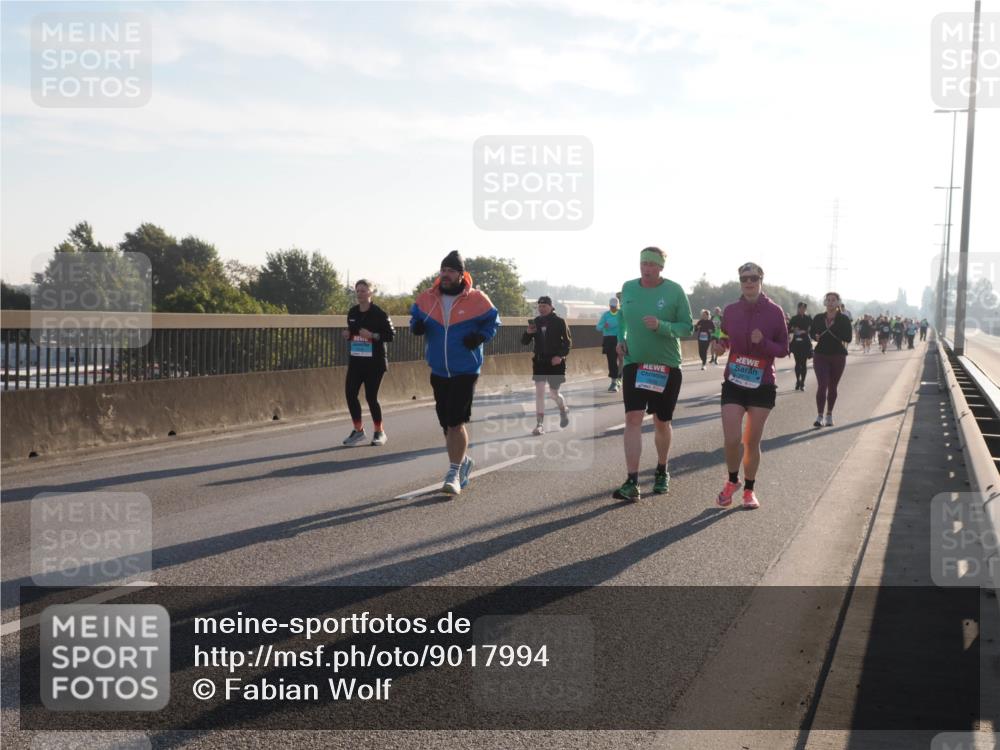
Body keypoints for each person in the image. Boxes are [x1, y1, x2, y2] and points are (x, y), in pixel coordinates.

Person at [410, 251, 500, 495]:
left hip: (465, 369)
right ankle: (464, 461)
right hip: (439, 368)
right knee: (445, 423)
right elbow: (414, 317)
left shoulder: (477, 299)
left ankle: (453, 473)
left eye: (450, 271)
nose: (445, 274)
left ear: (461, 274)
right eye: (443, 270)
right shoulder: (427, 298)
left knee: (455, 422)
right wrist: (415, 326)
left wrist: (480, 336)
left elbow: (493, 321)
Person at [612, 246, 694, 501]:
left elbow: (686, 327)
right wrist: (620, 338)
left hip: (666, 365)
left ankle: (661, 470)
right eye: (643, 263)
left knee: (661, 421)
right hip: (635, 362)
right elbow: (622, 318)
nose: (646, 268)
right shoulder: (628, 287)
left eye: (651, 264)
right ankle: (632, 481)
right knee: (633, 418)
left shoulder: (674, 290)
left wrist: (662, 326)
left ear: (660, 267)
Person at [713, 263, 789, 510]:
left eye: (753, 277)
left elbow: (783, 349)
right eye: (744, 278)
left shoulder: (775, 312)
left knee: (751, 441)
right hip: (734, 381)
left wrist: (764, 342)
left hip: (762, 383)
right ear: (740, 281)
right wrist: (720, 346)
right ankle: (732, 480)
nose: (749, 282)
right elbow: (724, 336)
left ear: (761, 280)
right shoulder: (731, 310)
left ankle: (749, 489)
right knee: (732, 438)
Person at [342, 279, 396, 446]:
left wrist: (373, 335)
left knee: (371, 397)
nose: (360, 294)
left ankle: (379, 431)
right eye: (357, 291)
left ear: (371, 293)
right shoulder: (352, 313)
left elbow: (391, 335)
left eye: (363, 290)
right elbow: (353, 332)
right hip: (357, 361)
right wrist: (348, 335)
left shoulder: (380, 313)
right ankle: (358, 431)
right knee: (350, 394)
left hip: (375, 363)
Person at [523, 296, 572, 435]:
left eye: (544, 306)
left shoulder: (560, 322)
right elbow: (524, 341)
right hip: (539, 362)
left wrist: (560, 356)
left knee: (553, 394)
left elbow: (568, 343)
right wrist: (528, 333)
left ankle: (563, 409)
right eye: (539, 306)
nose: (541, 309)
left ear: (551, 307)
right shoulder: (536, 322)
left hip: (555, 363)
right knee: (539, 392)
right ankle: (539, 424)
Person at [809, 292, 853, 427]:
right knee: (822, 385)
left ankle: (829, 414)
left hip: (838, 355)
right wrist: (815, 336)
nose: (830, 302)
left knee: (832, 386)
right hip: (820, 355)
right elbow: (812, 333)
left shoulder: (844, 319)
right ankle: (819, 416)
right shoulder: (818, 318)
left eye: (833, 300)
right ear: (824, 302)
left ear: (838, 302)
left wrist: (834, 331)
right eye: (828, 300)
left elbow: (849, 338)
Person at [596, 297, 622, 391]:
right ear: (609, 306)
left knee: (621, 360)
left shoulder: (621, 314)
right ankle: (614, 382)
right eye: (611, 306)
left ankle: (619, 379)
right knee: (612, 361)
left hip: (620, 339)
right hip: (609, 340)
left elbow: (627, 326)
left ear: (618, 305)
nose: (613, 308)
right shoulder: (606, 315)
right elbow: (598, 328)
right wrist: (604, 325)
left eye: (615, 306)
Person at [787, 301, 812, 391]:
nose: (802, 310)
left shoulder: (808, 318)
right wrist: (794, 329)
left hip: (805, 341)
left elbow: (812, 329)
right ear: (798, 308)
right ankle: (798, 380)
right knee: (797, 363)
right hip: (796, 341)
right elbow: (788, 329)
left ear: (805, 309)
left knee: (804, 363)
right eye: (800, 308)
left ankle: (803, 383)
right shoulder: (794, 318)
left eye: (804, 308)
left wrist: (806, 331)